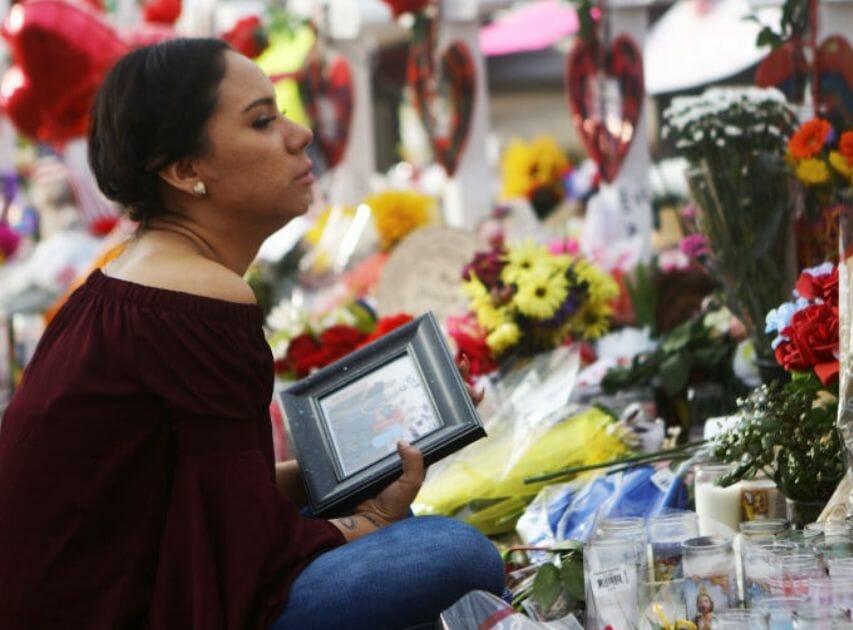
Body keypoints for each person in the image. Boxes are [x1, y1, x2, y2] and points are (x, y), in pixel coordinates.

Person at [0, 38, 504, 628]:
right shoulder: (198, 296)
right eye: (263, 121)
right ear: (187, 171)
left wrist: (367, 474)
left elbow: (210, 499)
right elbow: (241, 554)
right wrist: (371, 524)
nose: (300, 134)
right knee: (452, 551)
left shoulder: (139, 273)